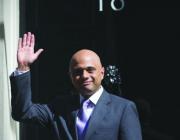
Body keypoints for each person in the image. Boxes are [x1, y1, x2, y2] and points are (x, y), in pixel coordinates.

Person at [10, 32, 142, 140]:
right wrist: (23, 66)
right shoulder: (59, 107)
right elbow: (23, 112)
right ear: (71, 77)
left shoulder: (123, 108)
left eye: (90, 70)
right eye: (78, 72)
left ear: (102, 73)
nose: (84, 75)